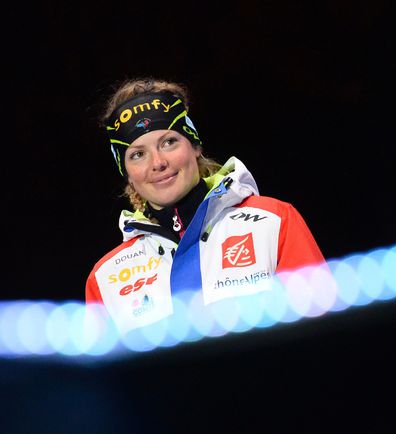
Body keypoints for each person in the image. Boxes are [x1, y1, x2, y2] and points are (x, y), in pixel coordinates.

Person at [85, 77, 329, 334]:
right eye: (138, 154)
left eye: (168, 142)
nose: (158, 163)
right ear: (127, 174)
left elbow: (322, 336)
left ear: (195, 146)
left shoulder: (274, 222)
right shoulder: (106, 278)